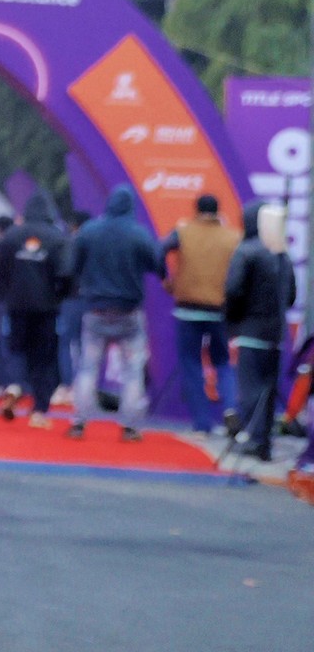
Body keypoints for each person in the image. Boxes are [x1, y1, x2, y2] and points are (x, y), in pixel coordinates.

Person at [63, 184, 165, 441]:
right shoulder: (138, 234)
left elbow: (72, 267)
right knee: (132, 370)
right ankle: (130, 426)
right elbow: (157, 264)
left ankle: (80, 421)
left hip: (96, 310)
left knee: (88, 367)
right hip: (129, 312)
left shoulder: (89, 231)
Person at [222, 200, 297, 467]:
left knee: (250, 388)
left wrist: (234, 319)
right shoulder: (283, 255)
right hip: (276, 335)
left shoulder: (246, 251)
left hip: (250, 330)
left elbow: (233, 289)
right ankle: (263, 442)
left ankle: (253, 440)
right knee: (268, 390)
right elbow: (291, 296)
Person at [162, 191, 240, 435]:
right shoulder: (233, 237)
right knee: (223, 363)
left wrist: (167, 280)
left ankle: (202, 424)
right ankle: (230, 407)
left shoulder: (183, 232)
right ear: (218, 211)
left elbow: (159, 249)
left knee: (192, 364)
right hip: (219, 310)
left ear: (196, 210)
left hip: (188, 309)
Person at [0, 187, 68, 423]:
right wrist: (59, 297)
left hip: (17, 305)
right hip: (46, 308)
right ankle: (39, 408)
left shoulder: (11, 236)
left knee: (17, 349)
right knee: (43, 357)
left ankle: (15, 385)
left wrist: (10, 293)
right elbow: (66, 273)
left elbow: (1, 270)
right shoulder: (57, 238)